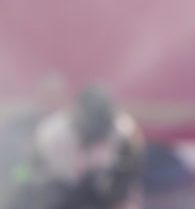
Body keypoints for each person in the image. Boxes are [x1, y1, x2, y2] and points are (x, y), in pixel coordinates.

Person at [6, 84, 146, 209]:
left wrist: (120, 190)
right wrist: (26, 181)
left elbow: (132, 172)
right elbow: (21, 171)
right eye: (92, 125)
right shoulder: (50, 133)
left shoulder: (124, 132)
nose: (96, 131)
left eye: (102, 125)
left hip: (101, 192)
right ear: (76, 116)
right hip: (57, 191)